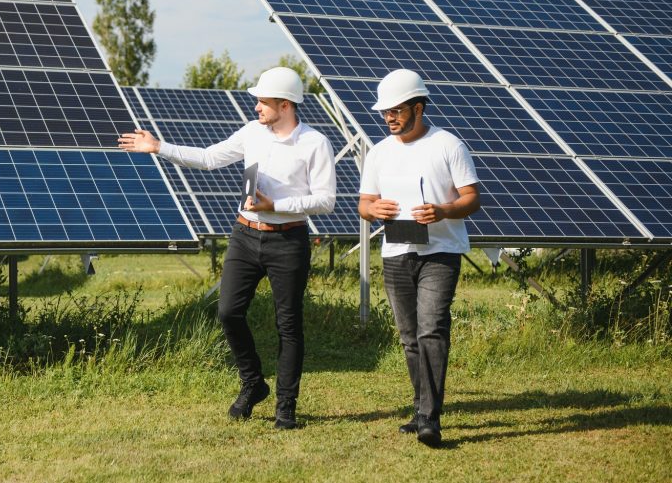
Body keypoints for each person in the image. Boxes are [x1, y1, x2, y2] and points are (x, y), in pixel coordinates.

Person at [118, 67, 336, 429]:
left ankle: (286, 407)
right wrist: (159, 147)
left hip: (288, 242)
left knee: (289, 326)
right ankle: (253, 383)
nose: (256, 108)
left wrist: (276, 206)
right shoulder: (252, 133)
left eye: (263, 102)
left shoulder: (315, 143)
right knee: (228, 312)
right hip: (246, 236)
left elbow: (326, 201)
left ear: (285, 105)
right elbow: (209, 158)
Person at [357, 69, 480, 447]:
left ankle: (429, 417)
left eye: (396, 110)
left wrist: (443, 211)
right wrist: (375, 211)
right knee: (410, 337)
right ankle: (421, 407)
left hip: (440, 253)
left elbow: (471, 198)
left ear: (418, 107)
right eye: (385, 112)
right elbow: (363, 205)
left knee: (431, 330)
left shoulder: (448, 145)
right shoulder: (378, 152)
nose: (389, 117)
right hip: (396, 252)